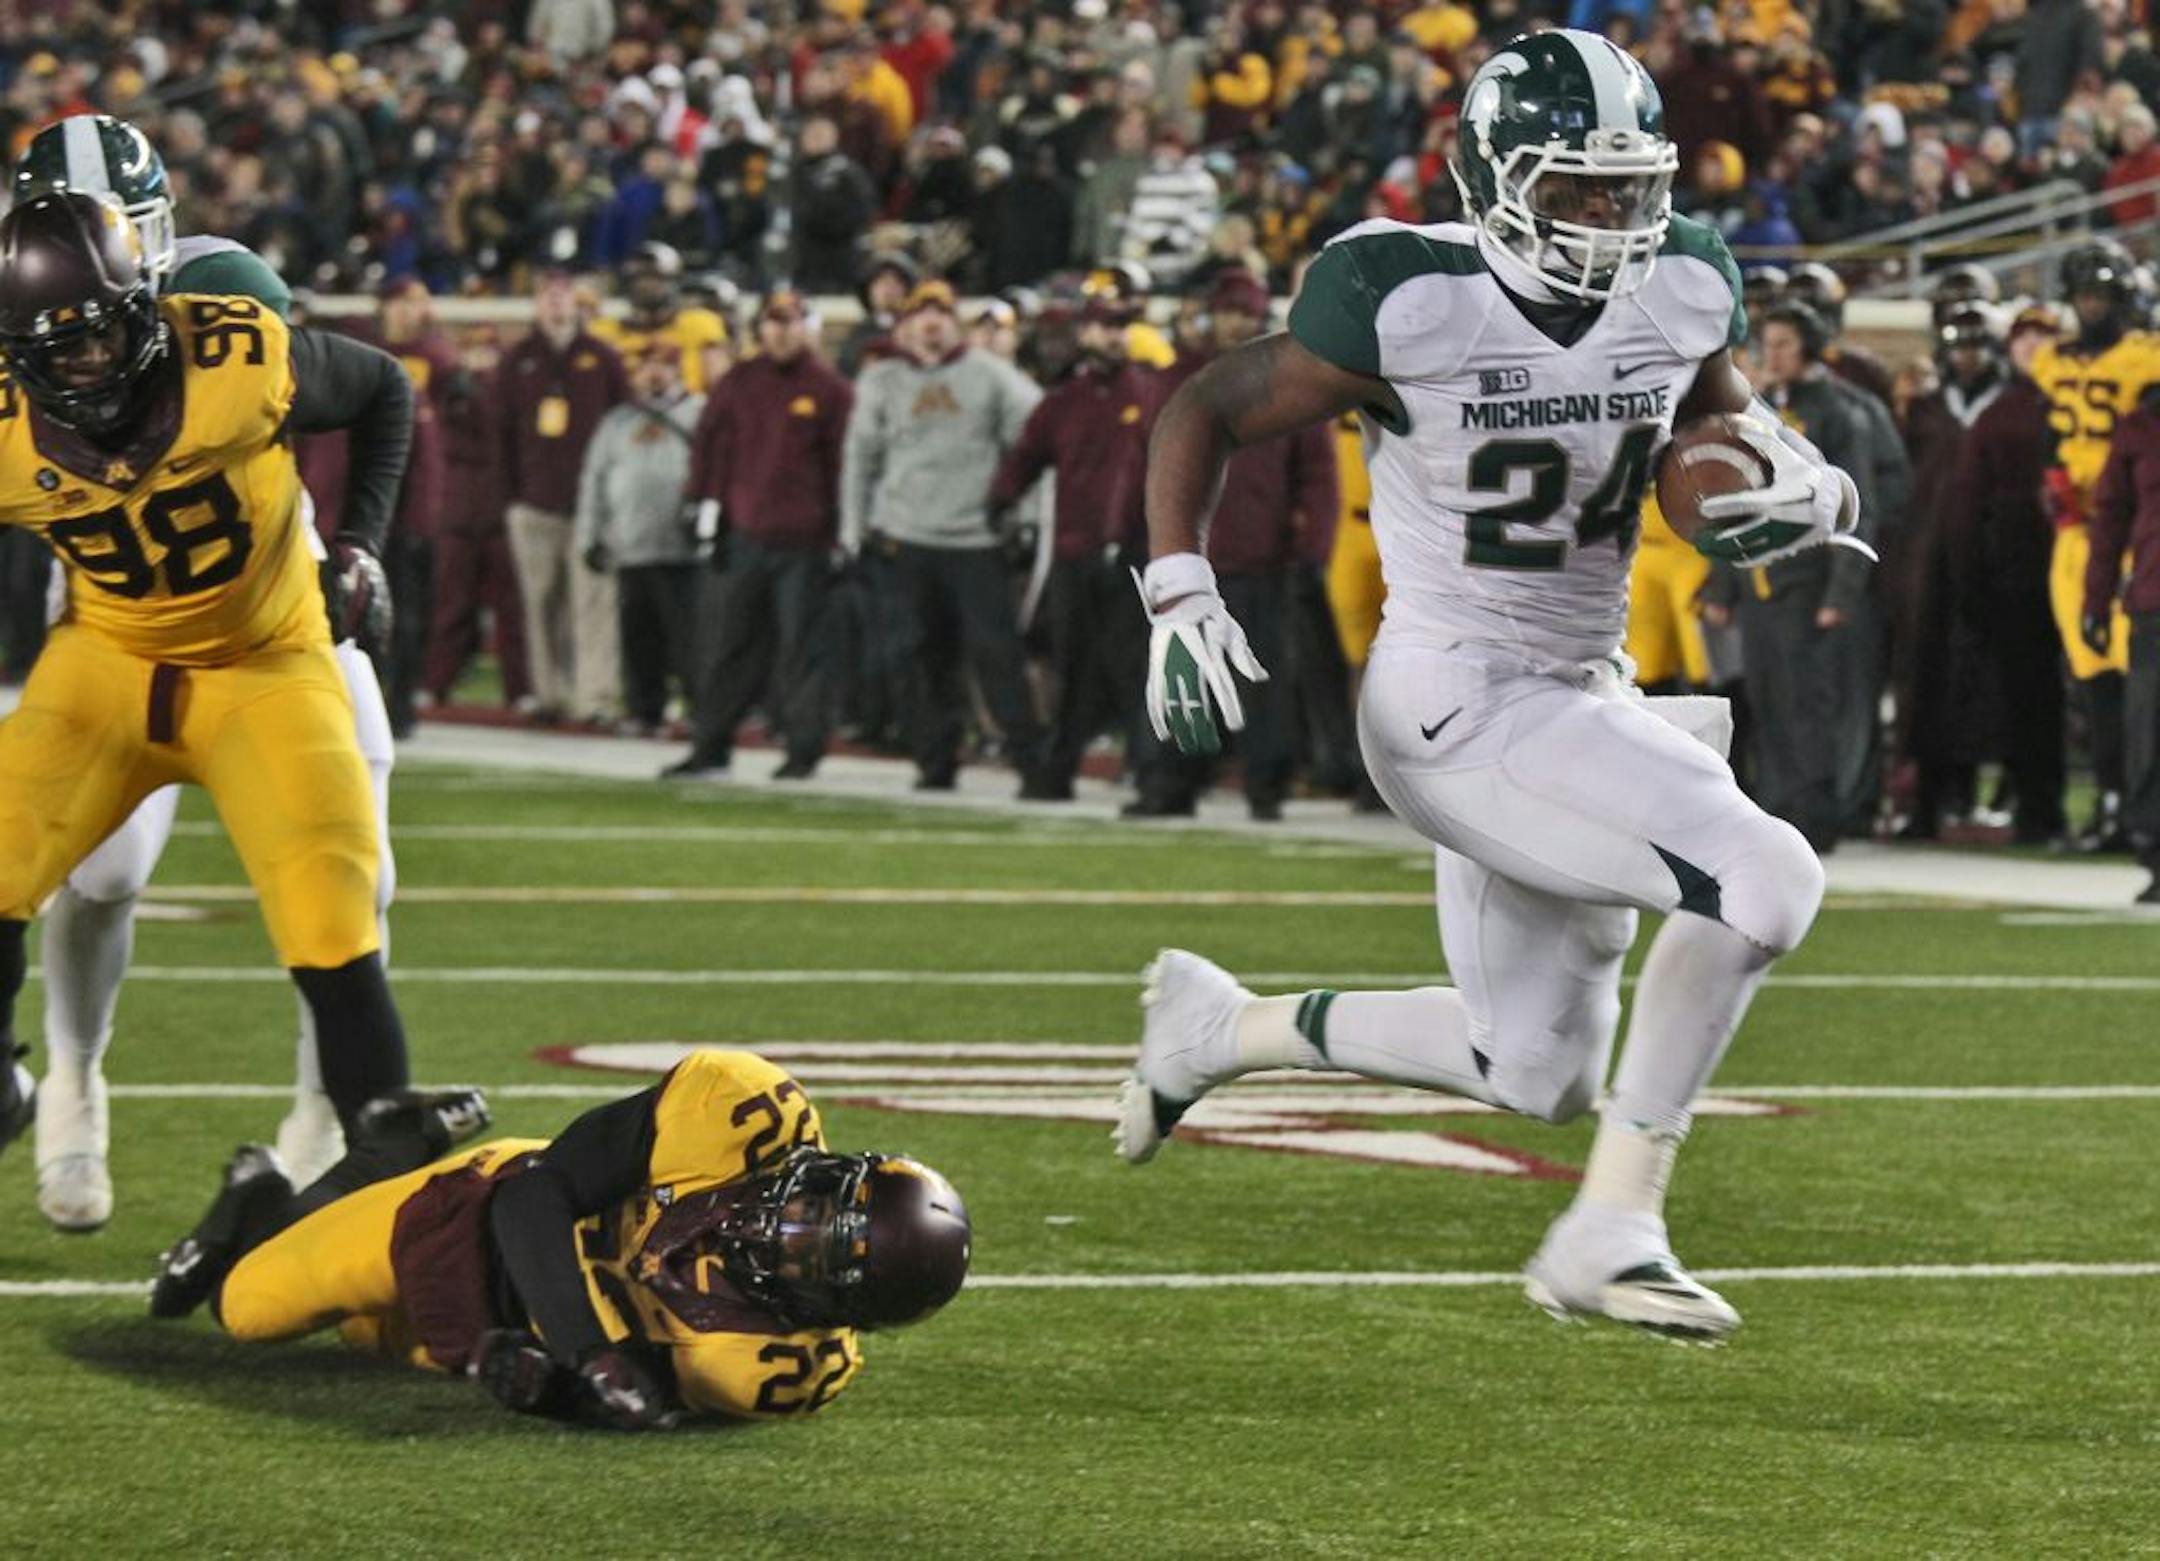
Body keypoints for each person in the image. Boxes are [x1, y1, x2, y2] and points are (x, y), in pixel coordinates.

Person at [1115, 32, 1861, 1342]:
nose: (1610, 218)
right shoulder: (1409, 296)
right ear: (1493, 175)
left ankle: (1219, 1028)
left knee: (1534, 1067)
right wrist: (1181, 589)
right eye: (1577, 188)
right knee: (1765, 876)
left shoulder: (1687, 279)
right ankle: (1613, 1225)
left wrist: (1781, 479)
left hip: (1579, 691)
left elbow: (1711, 433)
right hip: (1453, 697)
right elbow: (1208, 407)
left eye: (1630, 188)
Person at [12, 116, 398, 1228]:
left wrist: (358, 549)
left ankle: (327, 1112)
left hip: (274, 604)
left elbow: (354, 395)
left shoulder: (227, 294)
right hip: (117, 618)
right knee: (99, 877)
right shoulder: (27, 316)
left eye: (129, 230)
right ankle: (74, 1081)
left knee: (357, 880)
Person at [149, 1050, 971, 1431]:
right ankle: (304, 1175)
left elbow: (633, 1401)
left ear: (837, 1309)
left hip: (495, 1327)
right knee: (247, 1306)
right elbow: (535, 1198)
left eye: (811, 1251)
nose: (785, 1227)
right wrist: (589, 1350)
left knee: (360, 1330)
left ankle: (381, 1146)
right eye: (815, 1204)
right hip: (474, 1218)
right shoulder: (740, 1110)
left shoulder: (775, 1365)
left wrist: (552, 1389)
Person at [842, 280, 1053, 796]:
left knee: (997, 656)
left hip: (975, 539)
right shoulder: (882, 379)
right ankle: (934, 760)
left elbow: (1036, 444)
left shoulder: (992, 376)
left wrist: (1026, 518)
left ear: (955, 322)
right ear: (905, 324)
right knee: (920, 657)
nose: (931, 322)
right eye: (921, 312)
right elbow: (860, 458)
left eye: (940, 312)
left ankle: (1032, 762)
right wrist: (853, 529)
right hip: (905, 535)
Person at [1702, 303, 1887, 849]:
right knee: (1767, 700)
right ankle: (1780, 812)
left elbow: (1859, 504)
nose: (1772, 354)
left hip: (1808, 579)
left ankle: (1816, 815)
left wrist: (1842, 591)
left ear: (1809, 346)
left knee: (1811, 703)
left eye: (1784, 343)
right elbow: (1734, 500)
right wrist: (1722, 584)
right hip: (1759, 580)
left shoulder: (1838, 411)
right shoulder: (1762, 409)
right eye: (1769, 343)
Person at [670, 290, 853, 781]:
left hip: (807, 541)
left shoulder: (830, 389)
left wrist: (844, 533)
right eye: (773, 322)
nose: (781, 332)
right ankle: (710, 747)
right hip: (745, 533)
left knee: (802, 650)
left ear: (808, 329)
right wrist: (700, 503)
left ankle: (802, 749)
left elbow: (844, 468)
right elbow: (710, 445)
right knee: (730, 646)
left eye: (790, 322)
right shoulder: (740, 381)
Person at [986, 296, 1153, 801]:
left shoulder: (1149, 393)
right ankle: (1059, 770)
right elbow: (1027, 456)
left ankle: (1150, 772)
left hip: (1133, 552)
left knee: (1135, 667)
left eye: (1121, 326)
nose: (1115, 336)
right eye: (1106, 326)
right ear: (1085, 333)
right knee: (1072, 664)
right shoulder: (1065, 402)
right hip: (1074, 551)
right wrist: (1000, 499)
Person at [2029, 240, 2160, 853]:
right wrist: (2052, 479)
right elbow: (2050, 439)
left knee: (2138, 678)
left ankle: (2136, 808)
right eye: (2084, 295)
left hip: (2133, 527)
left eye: (2102, 295)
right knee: (2091, 675)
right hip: (2076, 533)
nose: (2091, 306)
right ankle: (2113, 801)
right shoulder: (2052, 363)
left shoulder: (2144, 358)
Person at [499, 269, 629, 728]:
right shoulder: (517, 360)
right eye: (547, 295)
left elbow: (622, 426)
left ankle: (595, 698)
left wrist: (613, 497)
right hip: (533, 502)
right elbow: (500, 432)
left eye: (562, 294)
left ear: (577, 302)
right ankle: (548, 693)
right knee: (540, 605)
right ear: (537, 304)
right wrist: (511, 497)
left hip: (592, 506)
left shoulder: (603, 358)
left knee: (595, 604)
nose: (555, 302)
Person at [574, 342, 705, 738]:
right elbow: (594, 478)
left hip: (682, 548)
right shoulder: (617, 421)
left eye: (662, 366)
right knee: (638, 638)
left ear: (678, 370)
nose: (654, 374)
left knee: (689, 638)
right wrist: (590, 534)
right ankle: (644, 710)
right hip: (630, 545)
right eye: (646, 366)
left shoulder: (699, 413)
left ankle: (699, 710)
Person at [423, 328, 529, 712]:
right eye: (472, 352)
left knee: (510, 610)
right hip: (458, 513)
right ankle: (436, 683)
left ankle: (520, 689)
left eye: (487, 352)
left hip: (497, 511)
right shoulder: (449, 391)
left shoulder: (507, 394)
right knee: (451, 606)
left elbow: (497, 434)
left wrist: (482, 389)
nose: (479, 360)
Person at [2087, 382, 2160, 900]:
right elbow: (2110, 518)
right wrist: (2096, 598)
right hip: (2154, 603)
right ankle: (2156, 851)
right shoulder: (2141, 425)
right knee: (2149, 735)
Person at [586, 240, 730, 394]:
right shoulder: (604, 331)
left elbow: (720, 382)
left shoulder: (699, 322)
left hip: (690, 405)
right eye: (639, 278)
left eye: (655, 278)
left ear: (673, 280)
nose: (645, 285)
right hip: (627, 405)